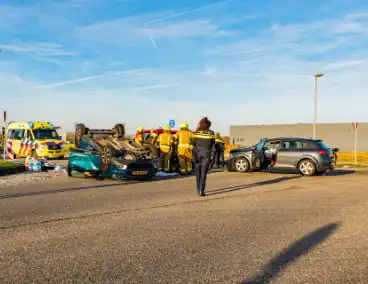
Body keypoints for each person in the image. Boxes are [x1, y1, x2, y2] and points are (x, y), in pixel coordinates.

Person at [191, 117, 215, 196]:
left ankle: (198, 189)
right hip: (206, 153)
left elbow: (193, 143)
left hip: (197, 153)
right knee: (204, 172)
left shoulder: (197, 133)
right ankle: (202, 190)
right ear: (208, 125)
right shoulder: (211, 133)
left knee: (198, 172)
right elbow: (213, 144)